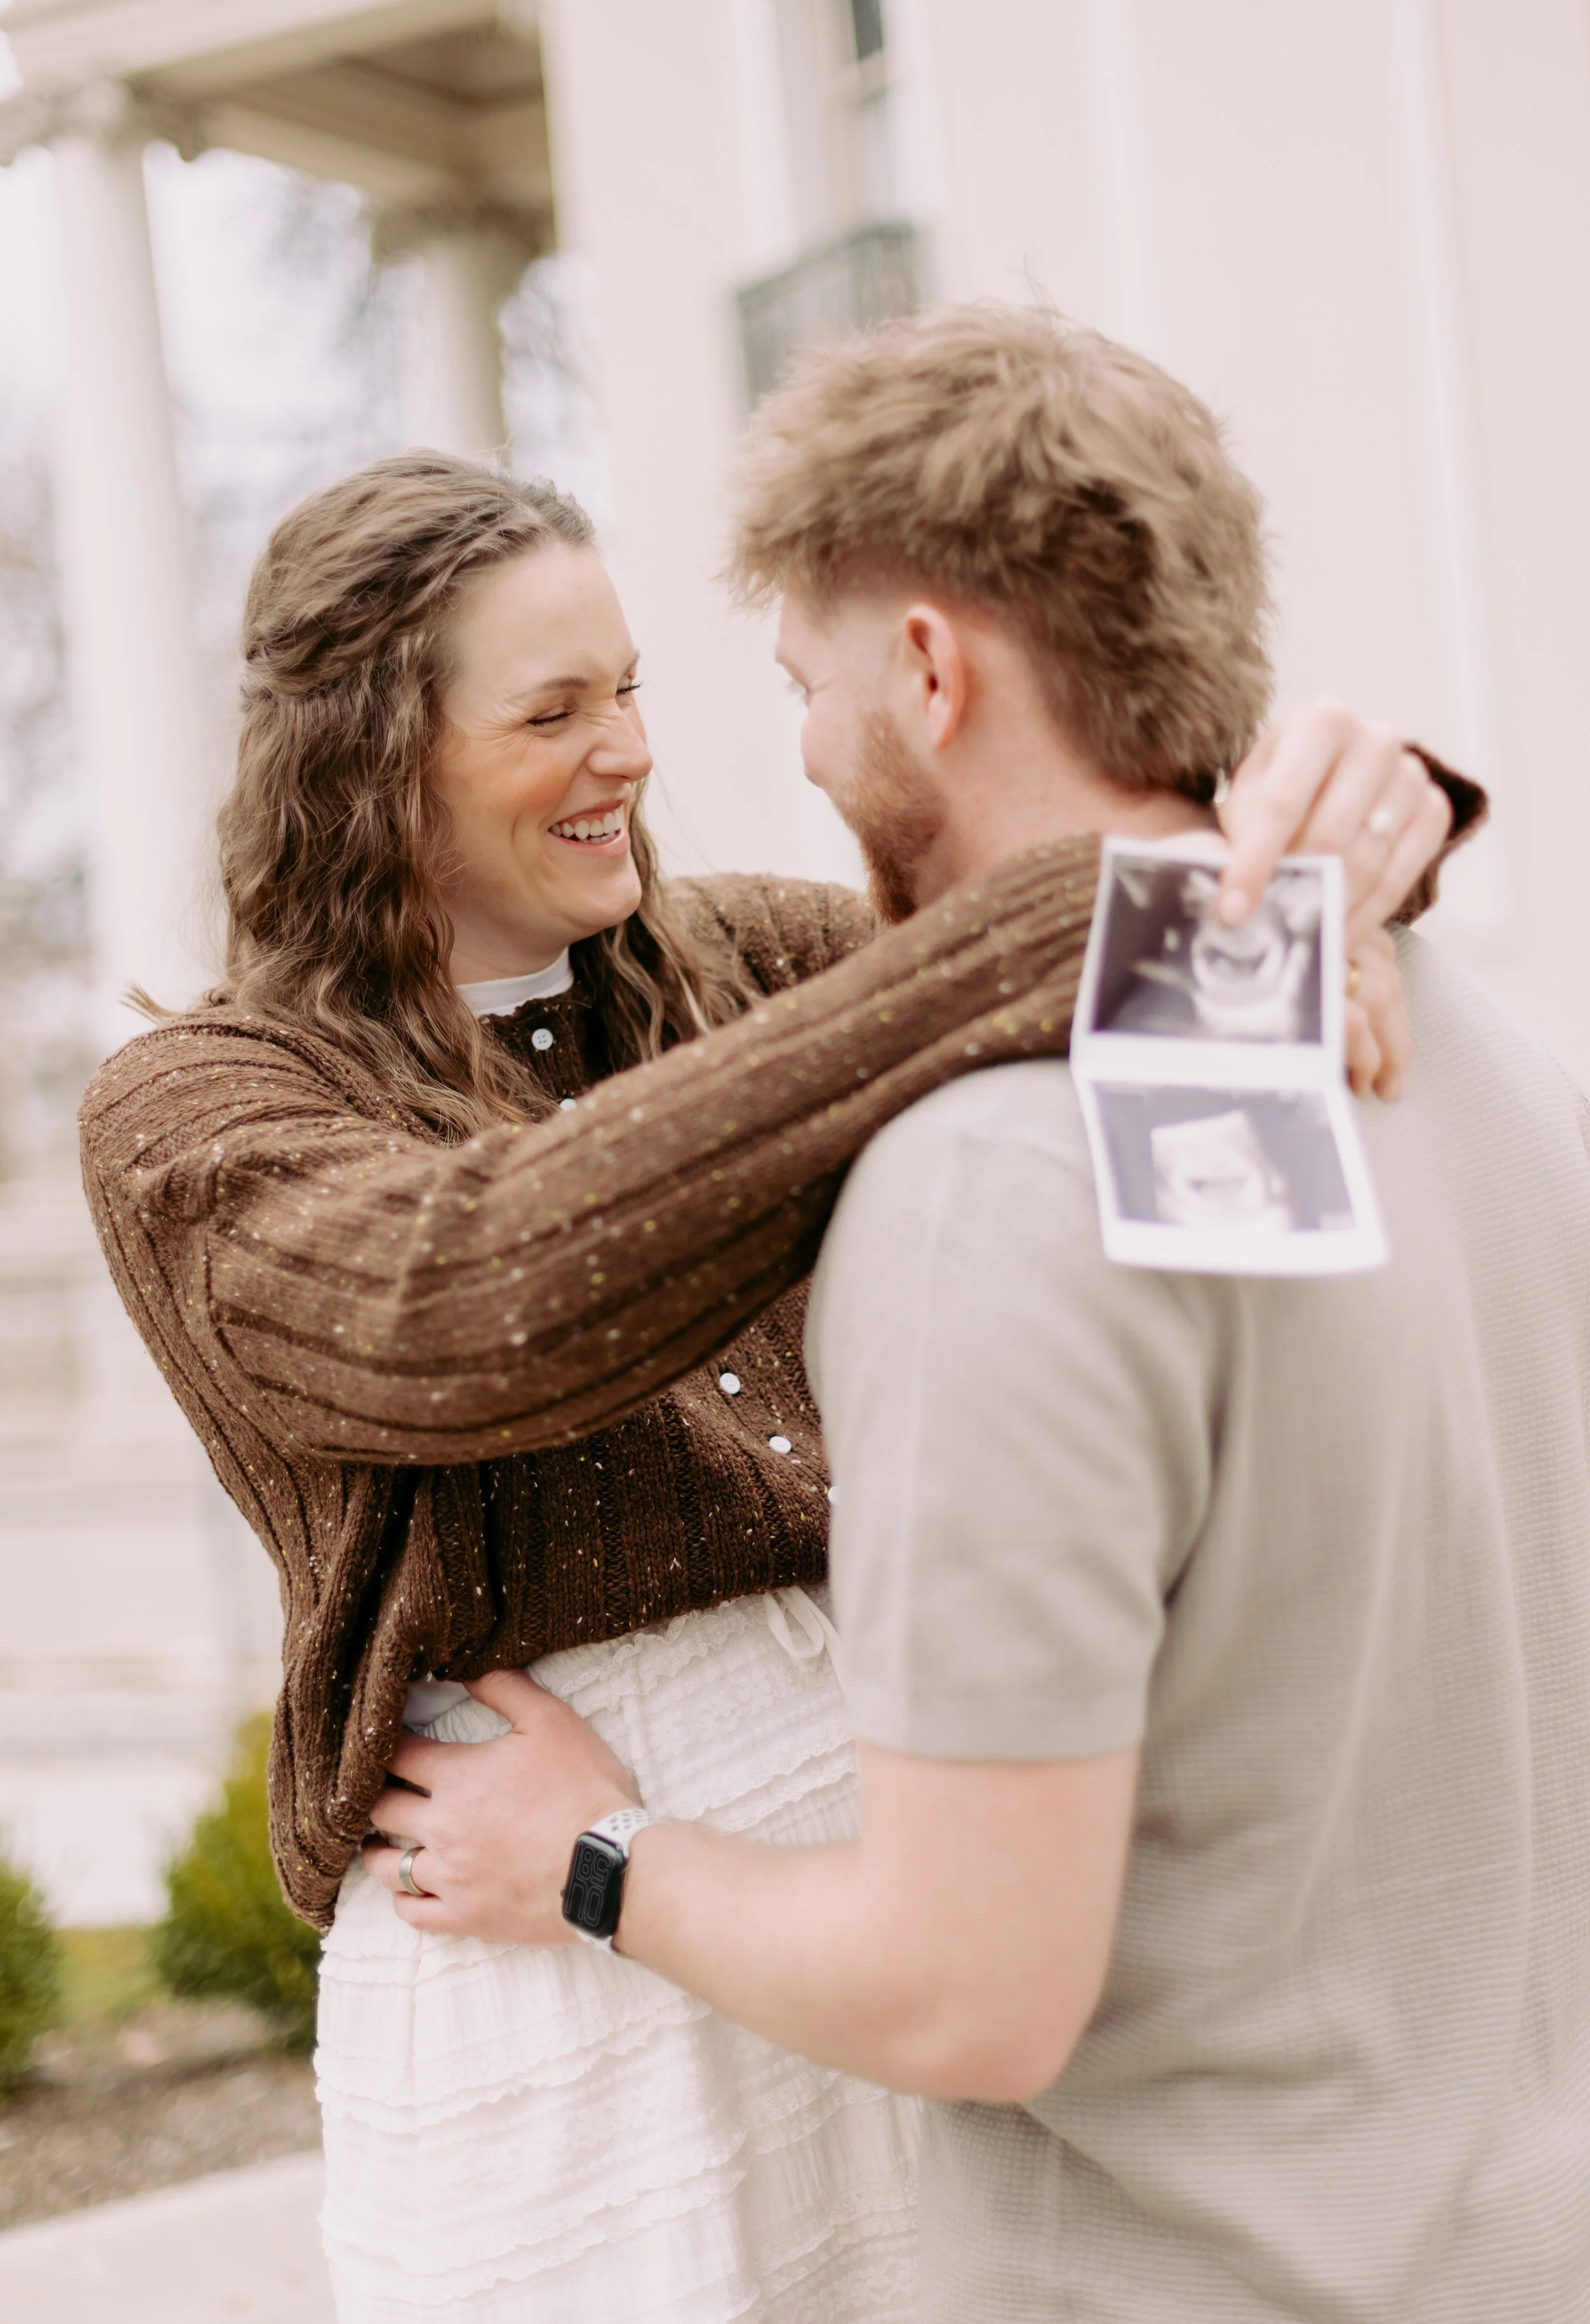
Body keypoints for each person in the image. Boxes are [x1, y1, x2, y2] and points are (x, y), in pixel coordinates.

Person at [80, 432, 1467, 2321]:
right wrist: (1081, 919)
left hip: (871, 1921)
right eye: (553, 711)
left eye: (632, 687)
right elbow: (455, 1304)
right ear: (368, 758)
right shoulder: (194, 1107)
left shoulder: (744, 955)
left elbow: (1119, 917)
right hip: (545, 1965)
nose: (630, 750)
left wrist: (1355, 824)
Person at [362, 308, 1589, 2323]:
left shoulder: (989, 1183)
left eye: (804, 683)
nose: (797, 750)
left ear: (927, 670)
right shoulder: (1482, 1054)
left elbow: (970, 1989)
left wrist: (593, 1851)